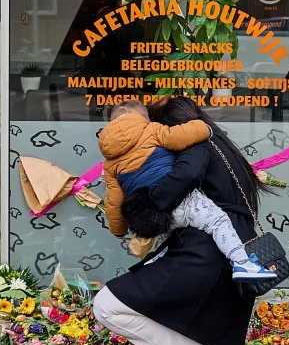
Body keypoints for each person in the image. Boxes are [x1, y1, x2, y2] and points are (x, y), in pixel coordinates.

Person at [91, 96, 262, 345]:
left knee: (108, 305)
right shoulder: (222, 145)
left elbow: (184, 175)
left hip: (205, 250)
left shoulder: (196, 144)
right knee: (123, 302)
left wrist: (146, 211)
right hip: (226, 246)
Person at [97, 100, 277, 282]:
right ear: (144, 119)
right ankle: (242, 263)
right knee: (217, 221)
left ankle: (152, 268)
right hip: (183, 202)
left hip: (157, 215)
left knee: (165, 241)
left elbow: (113, 201)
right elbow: (178, 137)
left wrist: (119, 230)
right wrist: (204, 127)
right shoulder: (152, 130)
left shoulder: (110, 164)